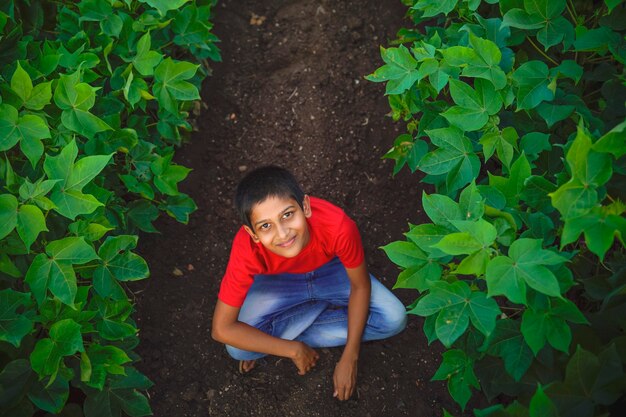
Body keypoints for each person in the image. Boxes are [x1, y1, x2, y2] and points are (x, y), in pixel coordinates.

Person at [211, 166, 407, 401]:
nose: (282, 233)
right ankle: (311, 316)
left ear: (305, 207)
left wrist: (349, 356)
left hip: (332, 271)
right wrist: (291, 349)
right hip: (277, 283)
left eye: (287, 215)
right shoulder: (246, 249)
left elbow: (360, 286)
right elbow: (221, 329)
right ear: (252, 233)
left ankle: (284, 330)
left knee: (395, 318)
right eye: (265, 226)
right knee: (238, 349)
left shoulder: (338, 226)